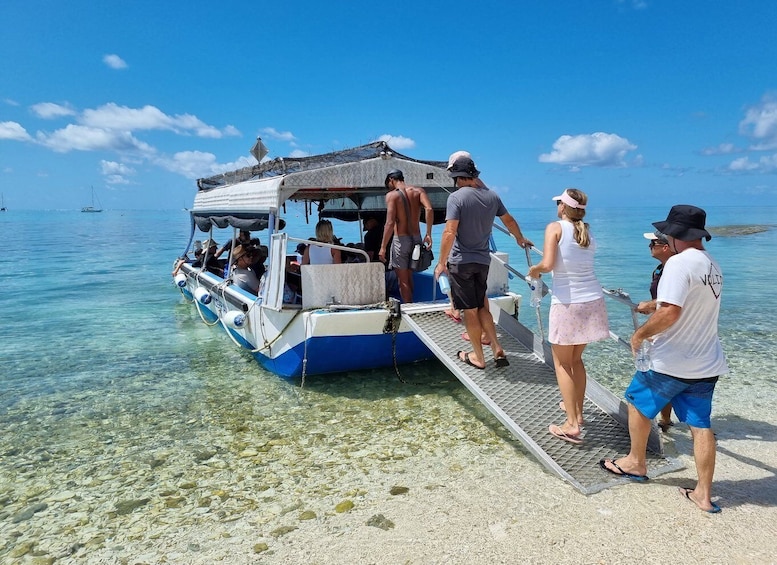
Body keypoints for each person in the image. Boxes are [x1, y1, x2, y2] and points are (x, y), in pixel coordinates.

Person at [599, 205, 728, 514]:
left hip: (671, 361)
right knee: (700, 426)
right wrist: (655, 303)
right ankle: (703, 494)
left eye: (668, 232)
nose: (665, 237)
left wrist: (639, 335)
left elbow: (671, 311)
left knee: (637, 404)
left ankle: (635, 462)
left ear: (676, 235)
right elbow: (685, 301)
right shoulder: (712, 264)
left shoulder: (679, 264)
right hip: (706, 361)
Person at [528, 189, 610, 445]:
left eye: (558, 202)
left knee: (562, 364)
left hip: (567, 304)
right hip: (593, 301)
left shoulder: (555, 227)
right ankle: (579, 414)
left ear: (563, 206)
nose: (557, 206)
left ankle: (572, 425)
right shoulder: (587, 231)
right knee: (575, 360)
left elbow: (549, 264)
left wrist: (534, 270)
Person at [435, 154, 532, 370]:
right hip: (482, 261)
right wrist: (519, 238)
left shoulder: (456, 198)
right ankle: (497, 347)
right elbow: (509, 220)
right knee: (481, 307)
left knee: (470, 311)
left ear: (456, 177)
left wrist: (441, 263)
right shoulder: (492, 197)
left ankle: (479, 358)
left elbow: (450, 231)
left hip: (461, 263)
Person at [637, 230, 676, 431]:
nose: (649, 247)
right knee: (663, 376)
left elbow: (674, 302)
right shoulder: (660, 269)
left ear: (665, 246)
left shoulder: (676, 270)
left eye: (652, 243)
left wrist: (651, 305)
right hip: (660, 328)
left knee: (662, 377)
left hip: (671, 331)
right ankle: (665, 419)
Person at [379, 170, 434, 303]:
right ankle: (413, 307)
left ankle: (409, 309)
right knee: (410, 277)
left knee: (402, 281)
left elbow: (390, 223)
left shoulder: (392, 196)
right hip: (416, 239)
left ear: (392, 179)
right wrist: (428, 233)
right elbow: (429, 209)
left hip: (401, 241)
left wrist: (383, 247)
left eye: (389, 184)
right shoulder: (418, 191)